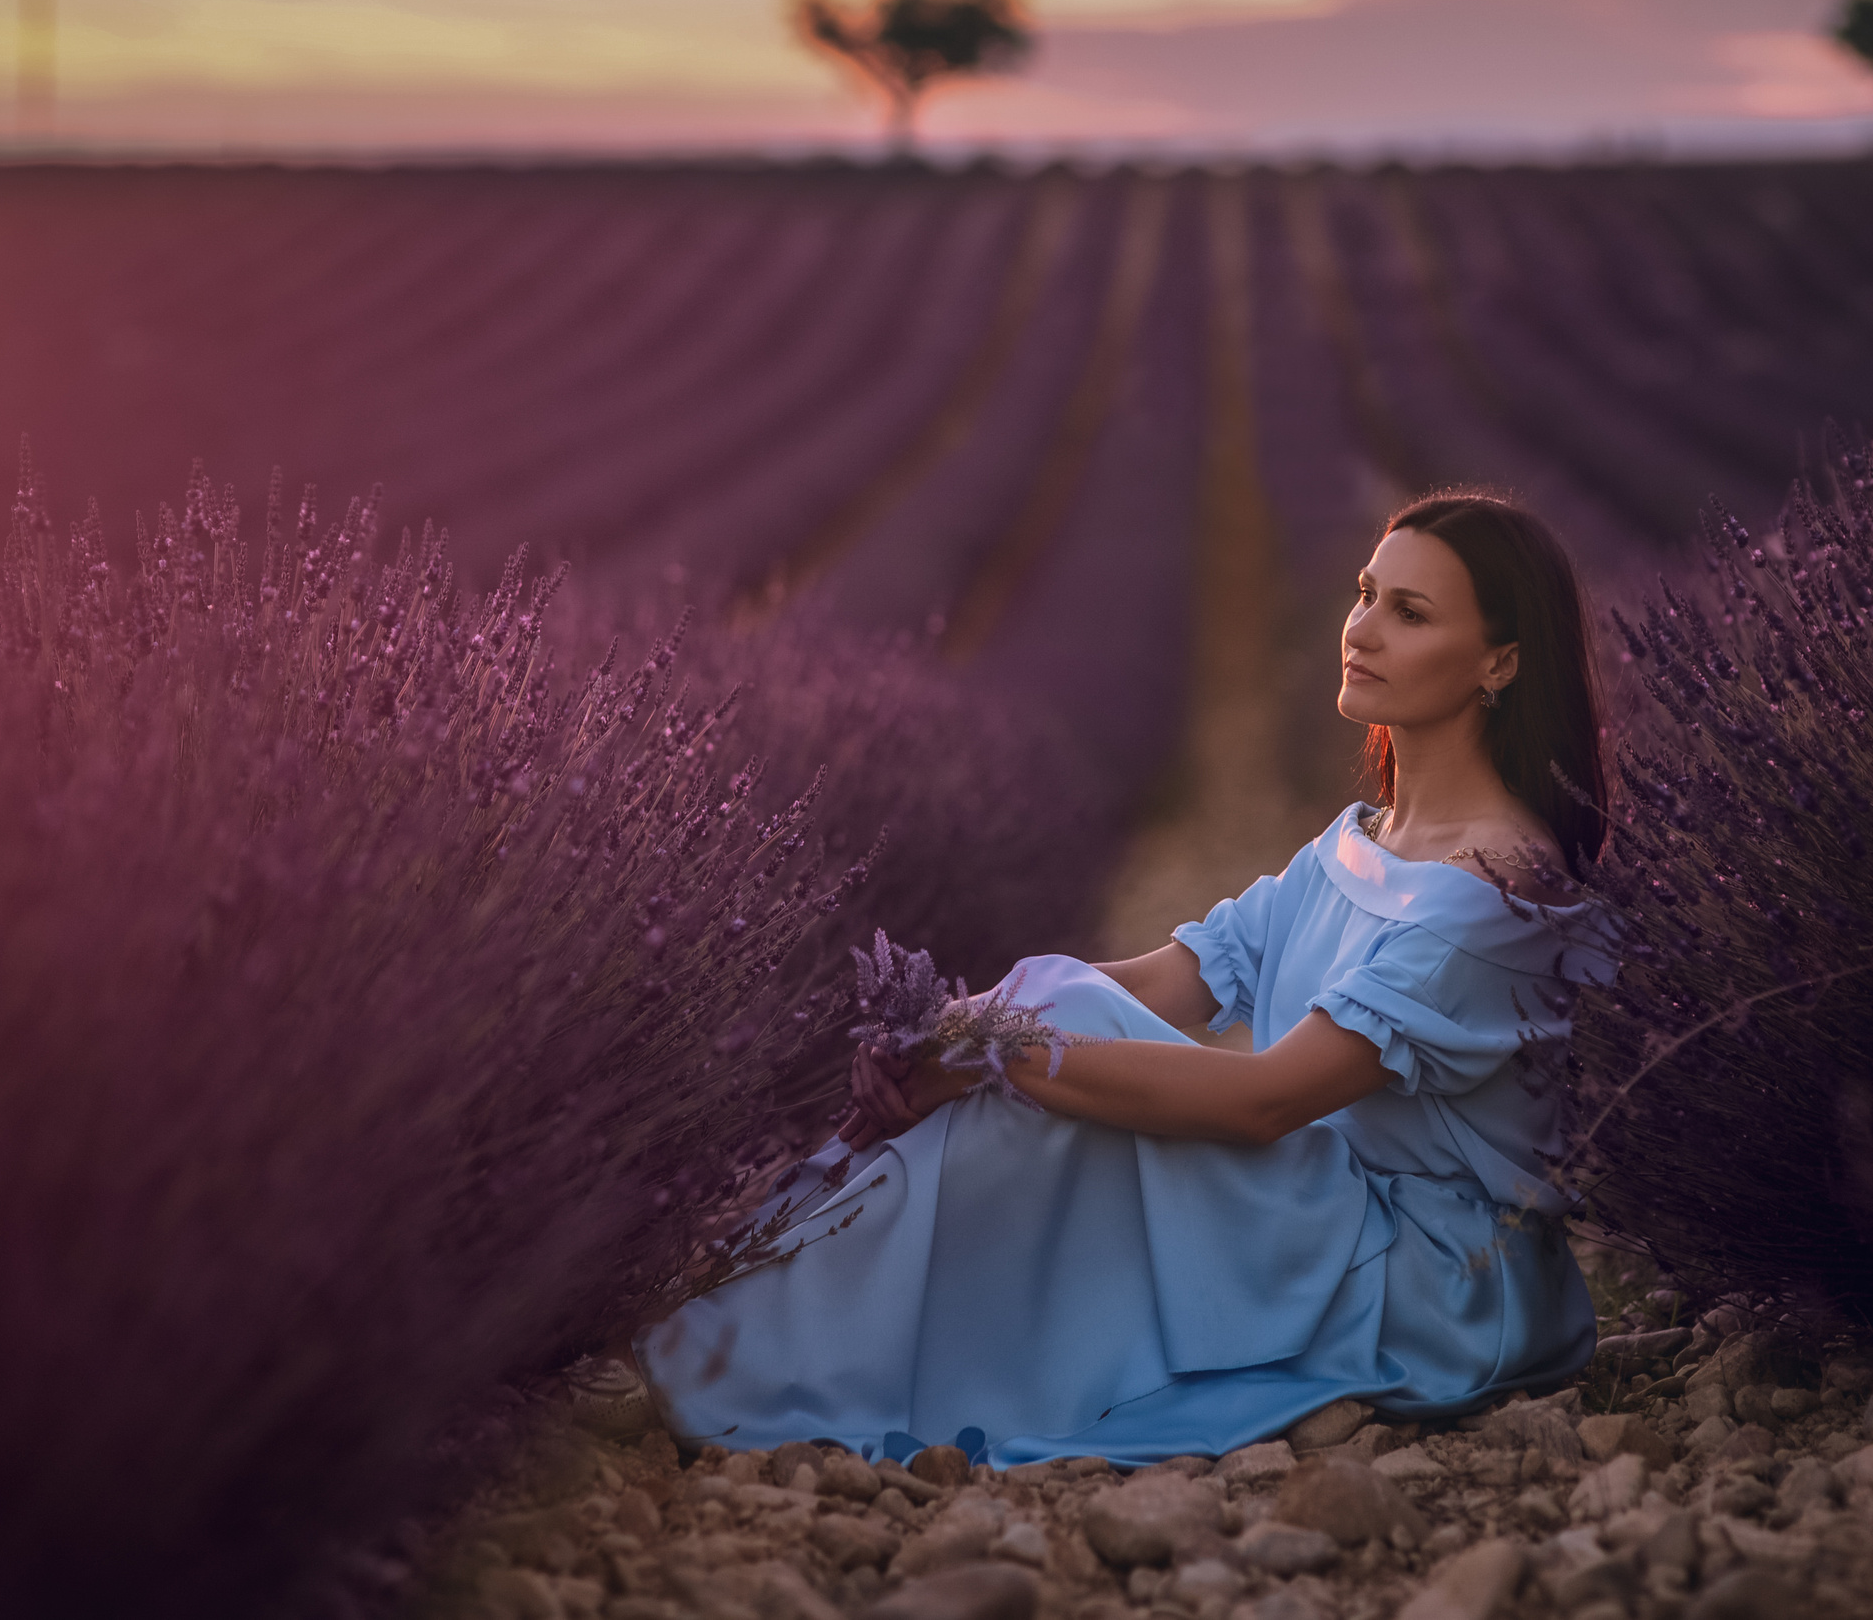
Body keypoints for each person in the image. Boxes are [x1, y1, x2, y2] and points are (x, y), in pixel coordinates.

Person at [635, 492, 1618, 1468]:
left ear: (1501, 661)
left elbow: (1264, 1103)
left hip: (1439, 1288)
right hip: (1329, 1220)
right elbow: (1169, 981)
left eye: (1410, 613)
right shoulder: (1361, 844)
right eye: (1365, 594)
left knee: (1043, 1046)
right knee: (1047, 1008)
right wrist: (947, 1033)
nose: (1360, 628)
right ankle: (790, 1310)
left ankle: (784, 1336)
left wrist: (1003, 1053)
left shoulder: (1492, 892)